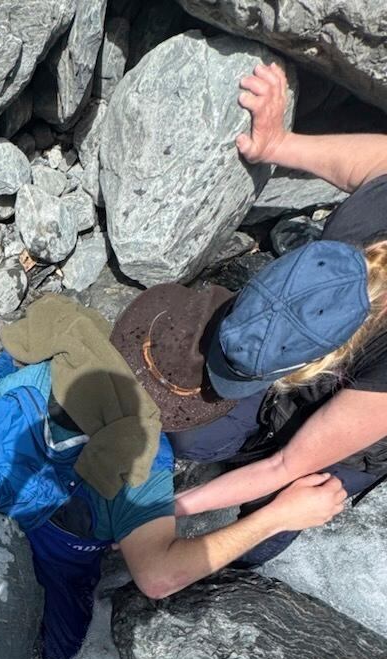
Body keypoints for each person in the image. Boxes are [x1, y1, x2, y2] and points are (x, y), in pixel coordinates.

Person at [0, 295, 345, 659]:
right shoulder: (144, 459)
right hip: (50, 552)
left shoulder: (63, 359)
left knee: (5, 372)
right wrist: (278, 516)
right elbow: (157, 577)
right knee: (60, 654)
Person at [154, 62, 387, 565]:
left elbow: (286, 464)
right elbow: (373, 164)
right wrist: (279, 145)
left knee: (269, 530)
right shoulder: (378, 205)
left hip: (362, 417)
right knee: (187, 431)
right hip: (308, 344)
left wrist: (169, 509)